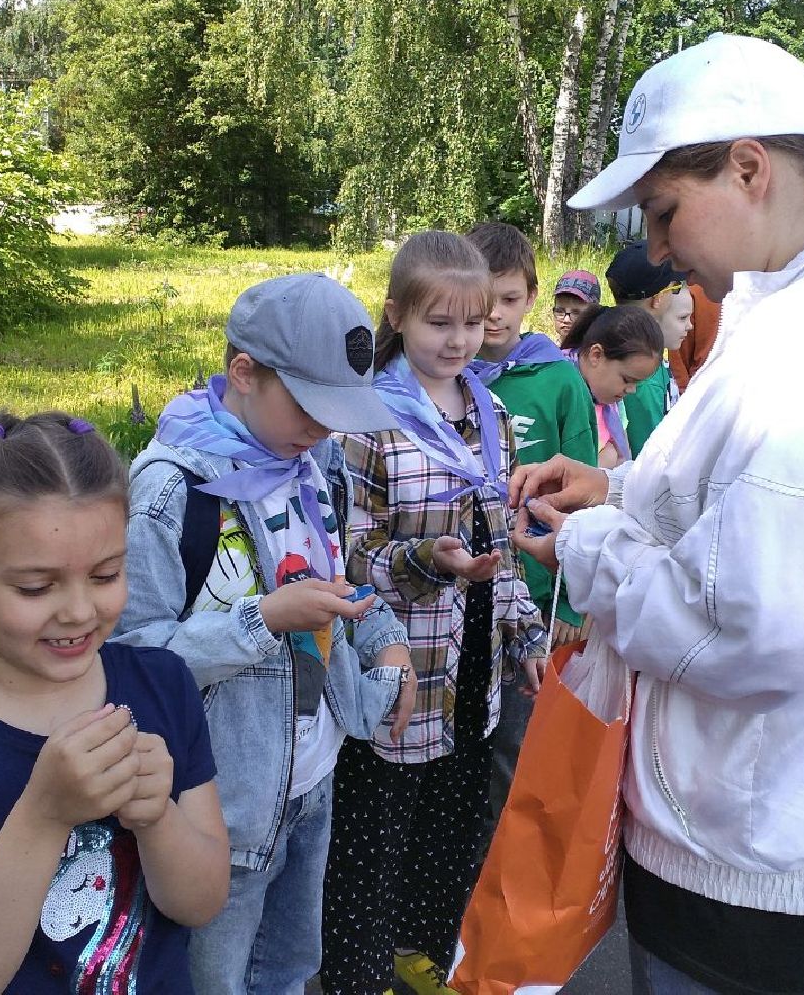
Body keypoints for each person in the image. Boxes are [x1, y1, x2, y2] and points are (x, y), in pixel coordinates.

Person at [511, 33, 804, 995]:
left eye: (661, 211)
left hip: (753, 844)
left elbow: (760, 631)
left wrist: (592, 546)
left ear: (749, 168)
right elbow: (757, 500)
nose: (652, 250)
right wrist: (617, 489)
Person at [0, 411, 230, 995]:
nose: (79, 611)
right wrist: (45, 813)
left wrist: (159, 819)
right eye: (35, 587)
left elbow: (202, 905)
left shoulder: (164, 686)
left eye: (105, 575)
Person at [113, 273, 416, 995]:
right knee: (216, 979)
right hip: (223, 802)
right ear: (242, 372)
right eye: (311, 406)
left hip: (313, 777)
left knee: (288, 968)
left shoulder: (316, 469)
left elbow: (340, 581)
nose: (325, 427)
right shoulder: (170, 495)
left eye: (339, 410)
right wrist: (263, 621)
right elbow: (131, 661)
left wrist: (386, 640)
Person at [321, 230, 549, 995]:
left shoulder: (488, 412)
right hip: (402, 667)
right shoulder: (367, 419)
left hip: (471, 663)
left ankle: (419, 953)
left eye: (473, 322)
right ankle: (354, 972)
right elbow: (349, 557)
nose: (459, 341)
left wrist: (520, 626)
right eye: (438, 323)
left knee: (448, 827)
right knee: (376, 834)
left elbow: (505, 537)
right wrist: (428, 561)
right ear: (397, 316)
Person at [464, 220, 598, 826]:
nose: (493, 314)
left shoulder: (558, 378)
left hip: (534, 600)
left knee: (513, 753)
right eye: (481, 298)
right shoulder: (440, 371)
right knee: (457, 745)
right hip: (455, 593)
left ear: (532, 298)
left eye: (509, 298)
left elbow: (582, 498)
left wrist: (571, 604)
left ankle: (500, 887)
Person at [604, 240, 694, 454]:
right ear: (659, 299)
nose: (690, 326)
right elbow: (650, 452)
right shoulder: (644, 377)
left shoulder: (627, 358)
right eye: (683, 318)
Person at [562, 304, 664, 470]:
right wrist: (609, 456)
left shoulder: (610, 401)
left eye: (636, 383)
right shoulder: (559, 390)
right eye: (626, 379)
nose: (632, 390)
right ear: (596, 355)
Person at [550, 268, 601, 344]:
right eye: (560, 311)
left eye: (576, 313)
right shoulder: (547, 350)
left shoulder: (596, 353)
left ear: (594, 315)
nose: (566, 320)